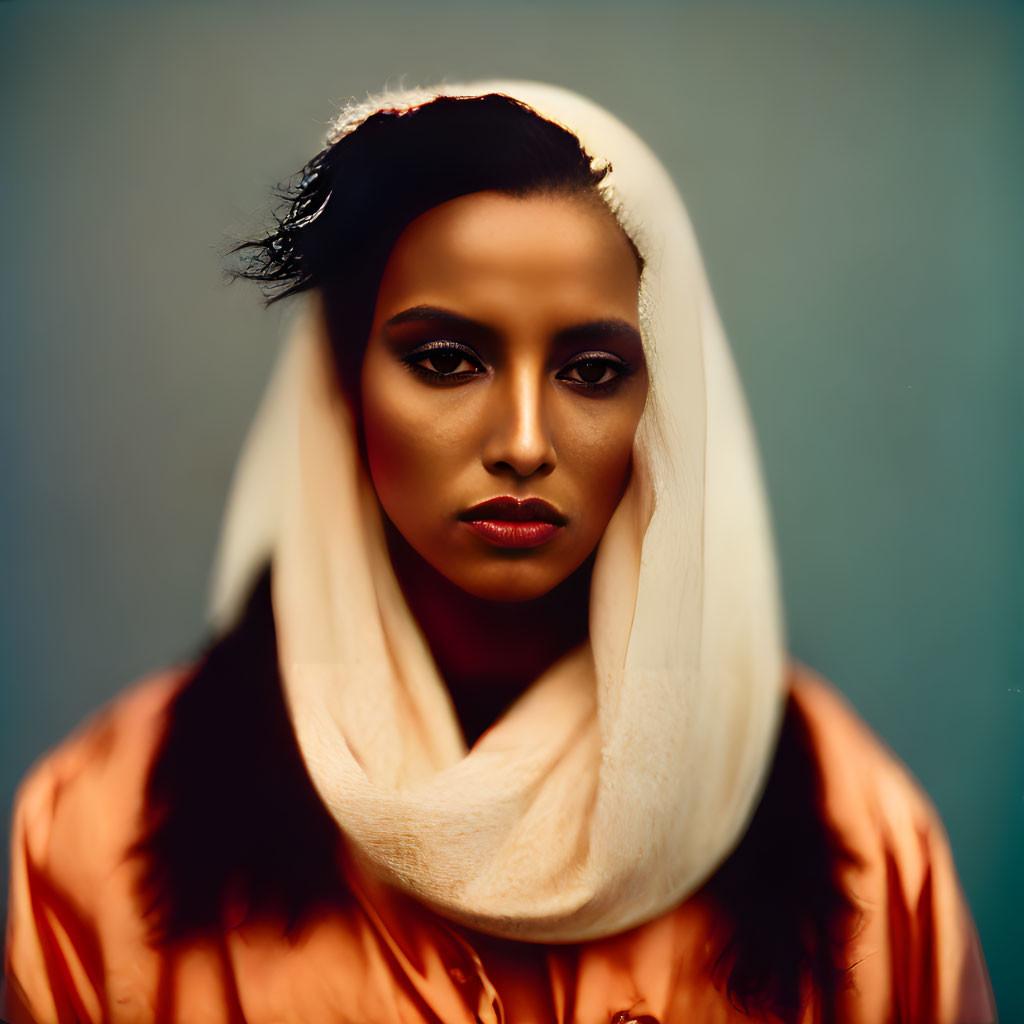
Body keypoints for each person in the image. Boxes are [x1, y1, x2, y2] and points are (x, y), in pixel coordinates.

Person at [2, 82, 996, 1024]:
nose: (523, 438)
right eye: (446, 360)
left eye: (593, 370)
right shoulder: (102, 830)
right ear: (342, 386)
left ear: (665, 406)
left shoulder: (861, 839)